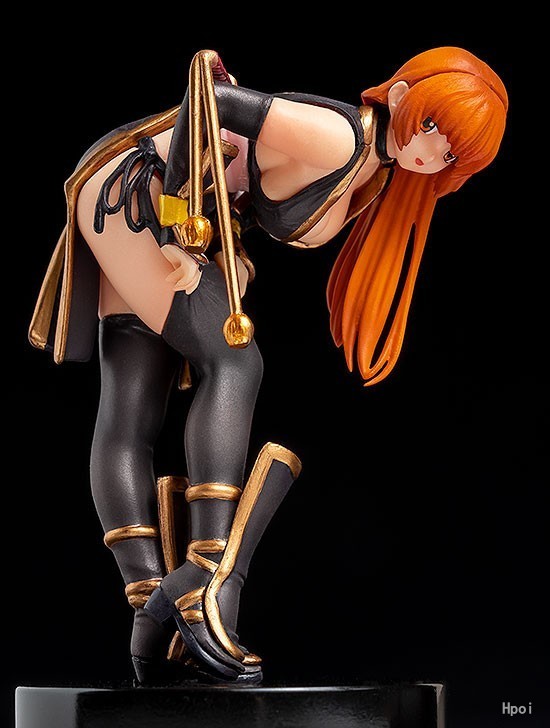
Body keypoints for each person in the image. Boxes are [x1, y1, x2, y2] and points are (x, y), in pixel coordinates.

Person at [28, 46, 507, 684]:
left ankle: (152, 613)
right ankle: (203, 574)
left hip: (141, 192)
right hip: (140, 192)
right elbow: (213, 103)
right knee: (234, 364)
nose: (429, 152)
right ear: (400, 95)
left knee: (134, 399)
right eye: (430, 126)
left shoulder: (373, 169)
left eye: (448, 155)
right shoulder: (341, 137)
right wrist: (176, 230)